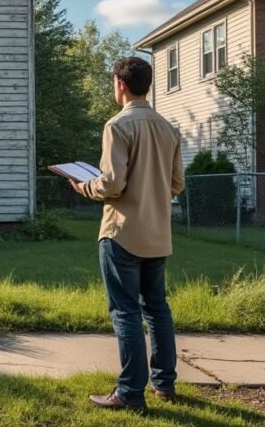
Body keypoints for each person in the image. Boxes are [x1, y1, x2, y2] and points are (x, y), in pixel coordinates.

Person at [70, 56, 184, 411]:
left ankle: (130, 393)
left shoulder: (117, 125)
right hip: (157, 234)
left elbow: (113, 183)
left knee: (125, 312)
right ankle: (164, 385)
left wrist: (85, 187)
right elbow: (177, 183)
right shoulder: (169, 128)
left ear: (120, 83)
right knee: (157, 309)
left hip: (121, 233)